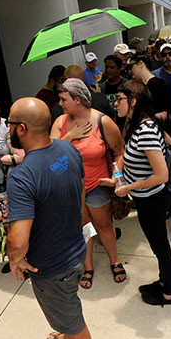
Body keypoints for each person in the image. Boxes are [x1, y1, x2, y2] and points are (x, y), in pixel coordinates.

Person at [4, 98, 102, 339]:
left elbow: (18, 240)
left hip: (53, 266)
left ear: (21, 128)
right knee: (68, 305)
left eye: (9, 124)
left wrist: (15, 259)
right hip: (75, 250)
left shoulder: (22, 177)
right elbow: (80, 188)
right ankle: (67, 337)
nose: (9, 129)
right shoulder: (67, 149)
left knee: (73, 317)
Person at [103, 82, 171, 307]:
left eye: (120, 99)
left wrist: (129, 188)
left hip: (152, 200)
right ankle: (164, 283)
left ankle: (169, 294)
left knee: (161, 248)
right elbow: (128, 158)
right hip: (145, 199)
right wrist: (117, 178)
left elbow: (162, 175)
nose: (116, 103)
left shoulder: (145, 131)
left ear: (133, 102)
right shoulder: (137, 126)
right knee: (158, 245)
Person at [51, 79, 125, 289]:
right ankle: (88, 266)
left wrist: (116, 178)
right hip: (72, 188)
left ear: (78, 99)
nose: (60, 104)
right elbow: (50, 152)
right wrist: (69, 136)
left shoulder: (103, 122)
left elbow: (119, 151)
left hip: (97, 184)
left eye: (64, 99)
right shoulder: (60, 122)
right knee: (84, 227)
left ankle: (115, 261)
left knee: (103, 225)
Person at [130, 57, 171, 243]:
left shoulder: (157, 84)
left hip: (168, 140)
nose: (131, 74)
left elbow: (170, 112)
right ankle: (169, 214)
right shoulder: (142, 88)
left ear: (140, 64)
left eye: (132, 69)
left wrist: (152, 118)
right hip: (154, 140)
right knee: (163, 182)